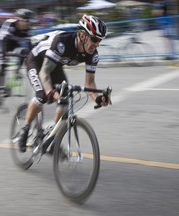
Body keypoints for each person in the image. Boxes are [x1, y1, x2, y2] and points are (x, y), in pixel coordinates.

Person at [17, 14, 110, 152]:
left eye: (99, 41)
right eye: (95, 39)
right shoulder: (62, 42)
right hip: (36, 61)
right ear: (83, 36)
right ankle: (25, 129)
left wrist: (98, 98)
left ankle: (53, 137)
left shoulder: (92, 54)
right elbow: (44, 73)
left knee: (65, 100)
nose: (97, 45)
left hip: (54, 66)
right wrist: (51, 92)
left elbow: (90, 83)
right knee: (42, 95)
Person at [0, 8, 35, 105]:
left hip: (14, 43)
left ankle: (15, 74)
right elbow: (3, 39)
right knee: (2, 65)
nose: (29, 23)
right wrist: (3, 56)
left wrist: (32, 57)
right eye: (27, 20)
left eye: (30, 21)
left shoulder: (28, 28)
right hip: (3, 43)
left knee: (24, 52)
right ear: (19, 19)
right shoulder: (10, 24)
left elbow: (30, 45)